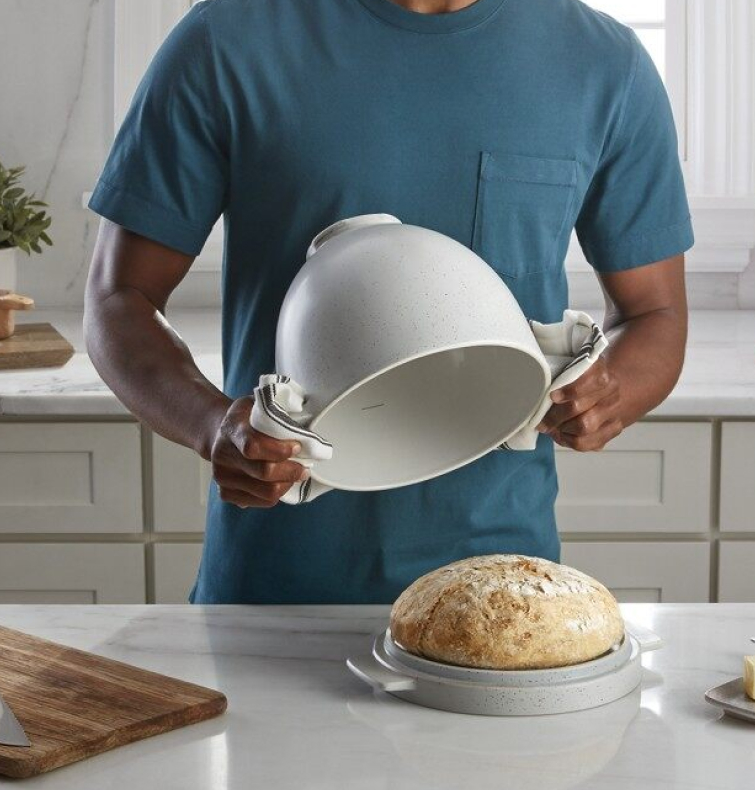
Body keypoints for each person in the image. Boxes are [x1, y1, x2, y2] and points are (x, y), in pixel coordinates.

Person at [85, 0, 692, 604]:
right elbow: (119, 296)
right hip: (275, 580)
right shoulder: (227, 40)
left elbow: (653, 315)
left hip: (503, 588)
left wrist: (611, 391)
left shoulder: (606, 64)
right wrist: (211, 424)